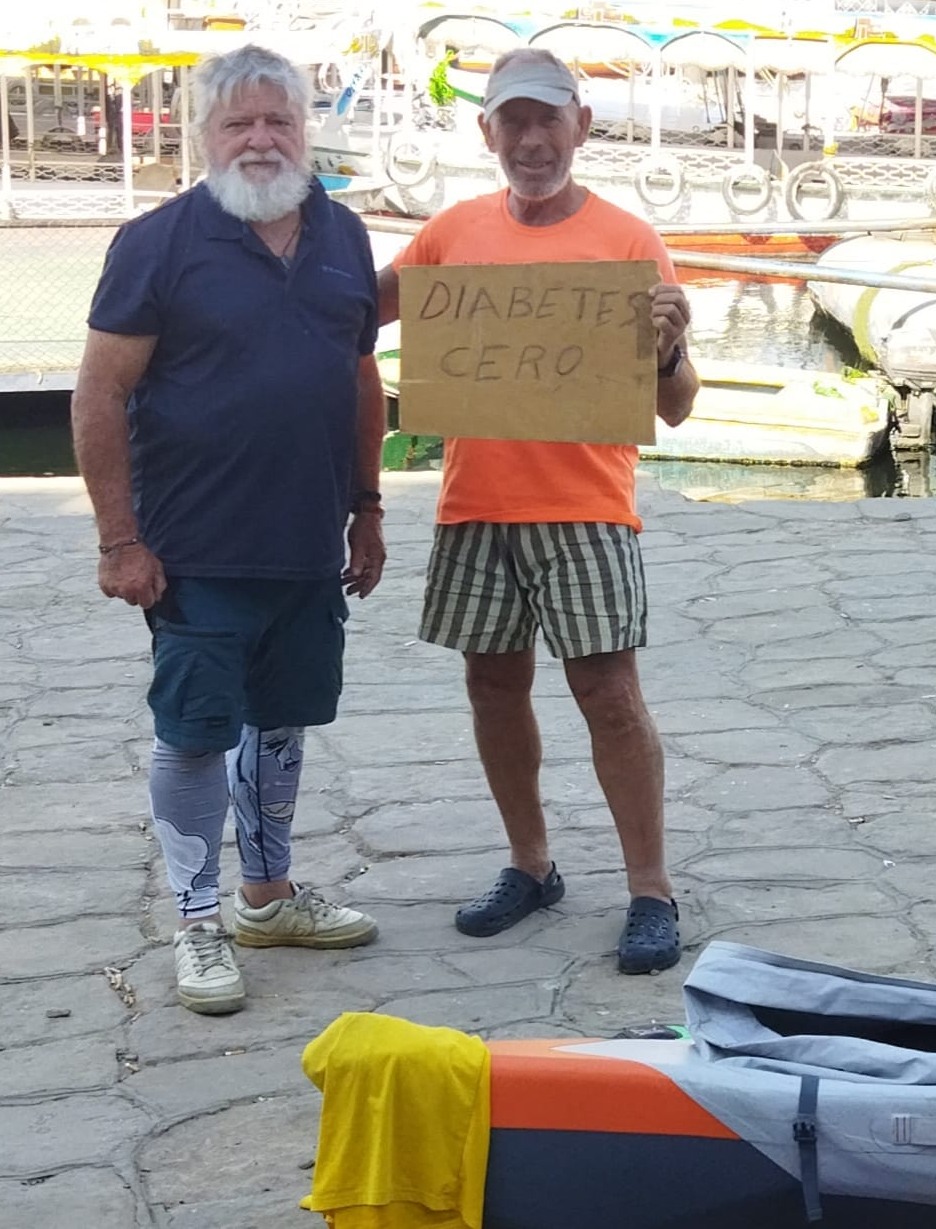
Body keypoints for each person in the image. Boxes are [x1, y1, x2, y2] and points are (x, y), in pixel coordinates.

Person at [71, 45, 386, 1015]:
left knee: (283, 718)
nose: (260, 138)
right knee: (196, 729)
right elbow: (100, 387)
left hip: (304, 543)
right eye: (238, 122)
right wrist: (119, 538)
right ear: (203, 135)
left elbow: (362, 377)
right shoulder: (158, 241)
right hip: (191, 549)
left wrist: (368, 505)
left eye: (277, 120)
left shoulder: (345, 238)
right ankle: (199, 916)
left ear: (305, 129)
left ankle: (268, 895)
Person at [378, 48, 699, 975]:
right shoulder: (448, 233)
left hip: (589, 507)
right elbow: (359, 310)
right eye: (511, 121)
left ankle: (651, 887)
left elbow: (676, 405)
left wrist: (670, 350)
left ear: (581, 127)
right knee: (493, 686)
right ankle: (532, 863)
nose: (530, 139)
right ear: (486, 133)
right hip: (474, 506)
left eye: (546, 119)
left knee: (609, 695)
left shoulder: (629, 241)